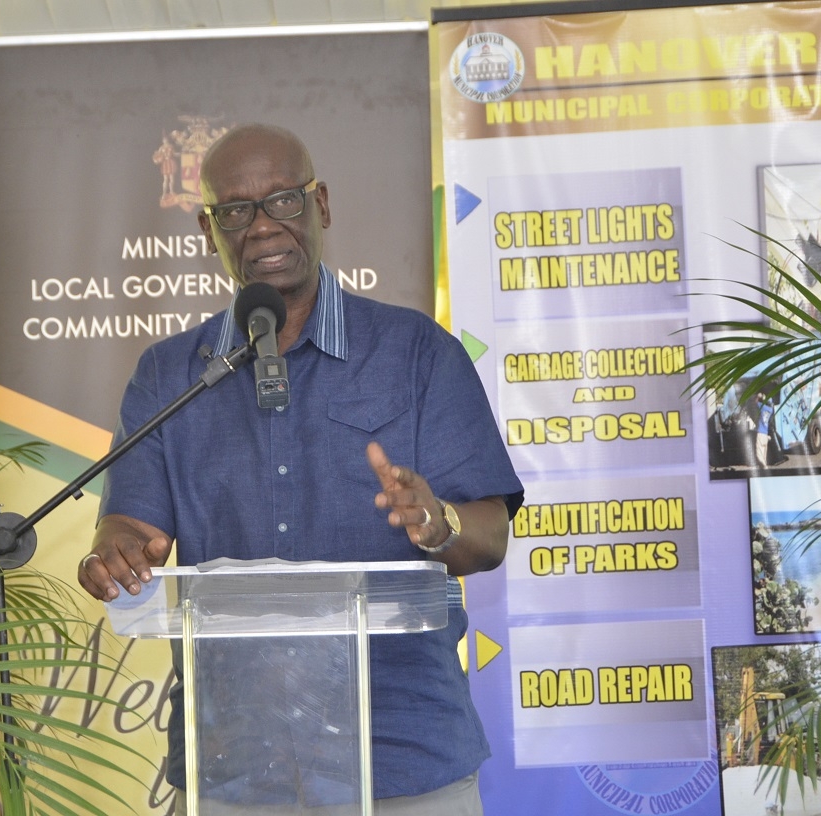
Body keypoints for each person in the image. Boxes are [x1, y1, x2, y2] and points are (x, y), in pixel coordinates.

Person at [78, 123, 524, 815]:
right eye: (235, 210)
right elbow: (130, 524)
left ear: (321, 205)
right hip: (235, 767)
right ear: (209, 230)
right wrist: (119, 552)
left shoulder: (415, 353)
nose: (260, 227)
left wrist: (437, 524)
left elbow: (489, 535)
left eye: (282, 200)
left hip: (401, 757)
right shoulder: (171, 375)